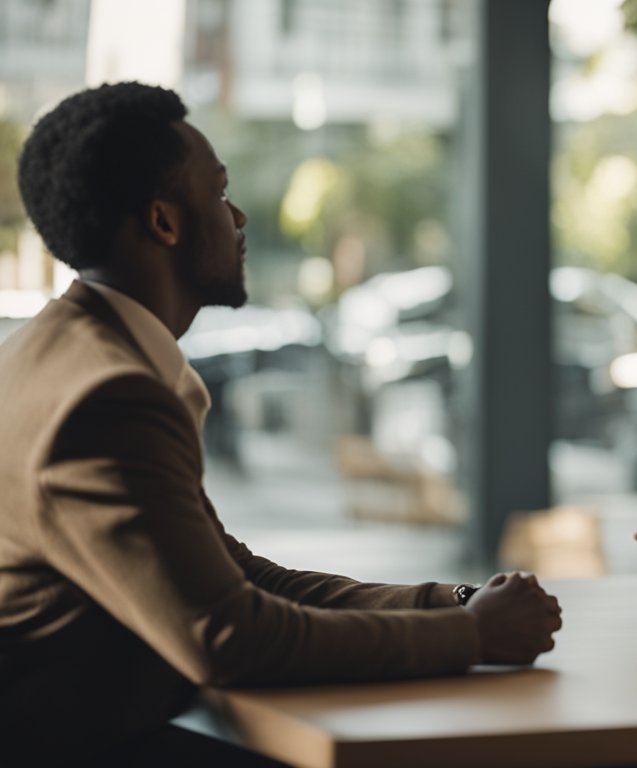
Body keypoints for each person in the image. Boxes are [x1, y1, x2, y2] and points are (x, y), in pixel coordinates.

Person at [0, 82, 562, 764]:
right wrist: (471, 638)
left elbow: (237, 576)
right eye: (219, 192)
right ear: (164, 222)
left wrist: (450, 602)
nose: (237, 217)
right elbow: (228, 637)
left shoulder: (61, 350)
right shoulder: (106, 397)